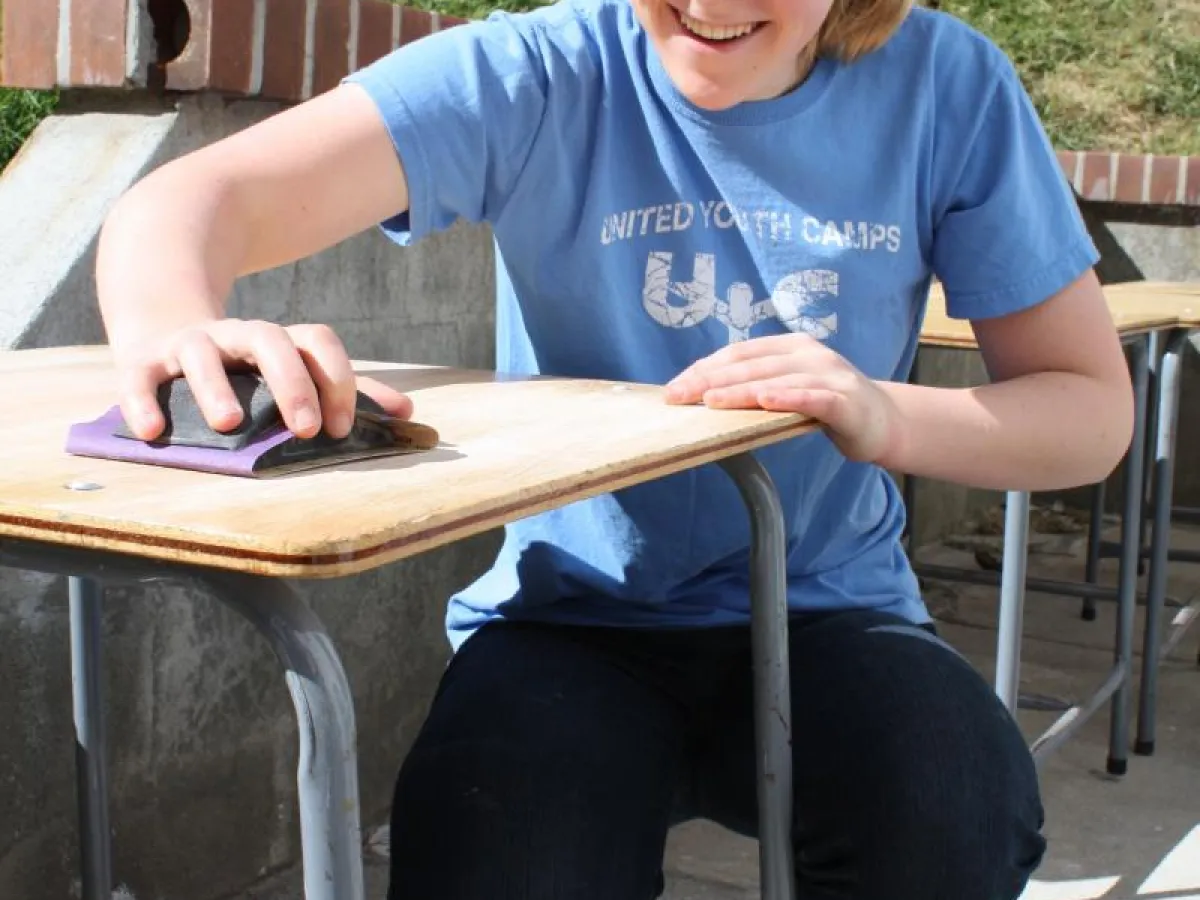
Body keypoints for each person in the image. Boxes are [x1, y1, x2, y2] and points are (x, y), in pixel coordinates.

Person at [94, 0, 1135, 895]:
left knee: (951, 807)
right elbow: (187, 201)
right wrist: (181, 329)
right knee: (492, 842)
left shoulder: (947, 85)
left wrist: (886, 413)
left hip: (832, 609)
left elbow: (1089, 411)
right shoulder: (543, 68)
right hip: (568, 616)